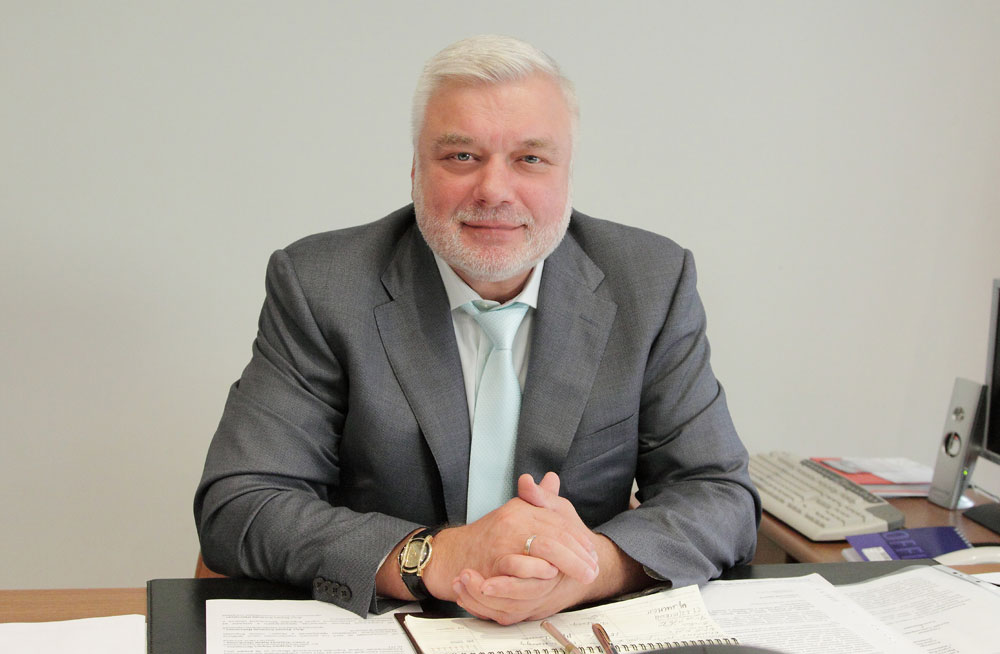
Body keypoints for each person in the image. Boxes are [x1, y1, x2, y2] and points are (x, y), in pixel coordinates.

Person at [194, 34, 760, 625]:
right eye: (462, 156)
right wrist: (435, 557)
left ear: (567, 175)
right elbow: (241, 503)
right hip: (388, 626)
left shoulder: (650, 282)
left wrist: (591, 567)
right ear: (416, 170)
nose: (494, 190)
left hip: (566, 629)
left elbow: (719, 494)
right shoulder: (322, 285)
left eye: (530, 159)